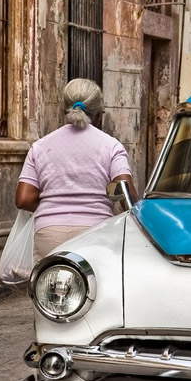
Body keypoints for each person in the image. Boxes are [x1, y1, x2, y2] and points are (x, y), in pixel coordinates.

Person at [15, 78, 137, 262]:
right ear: (98, 114)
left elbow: (23, 199)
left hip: (49, 233)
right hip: (96, 233)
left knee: (47, 287)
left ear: (64, 109)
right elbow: (126, 192)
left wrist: (54, 208)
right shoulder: (112, 147)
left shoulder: (40, 146)